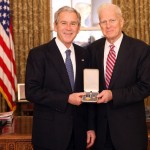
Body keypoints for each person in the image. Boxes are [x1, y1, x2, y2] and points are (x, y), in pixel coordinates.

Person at [25, 6, 95, 150]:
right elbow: (32, 92)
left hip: (79, 134)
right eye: (64, 23)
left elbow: (90, 93)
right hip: (49, 135)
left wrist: (90, 127)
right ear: (55, 26)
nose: (68, 28)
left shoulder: (85, 54)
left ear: (78, 27)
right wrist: (67, 98)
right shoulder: (38, 54)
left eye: (73, 23)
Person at [86, 3, 150, 150]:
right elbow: (89, 90)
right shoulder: (91, 50)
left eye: (112, 20)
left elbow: (145, 87)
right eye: (103, 21)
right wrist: (90, 127)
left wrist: (113, 95)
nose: (108, 25)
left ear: (121, 21)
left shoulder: (141, 49)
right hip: (100, 134)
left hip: (130, 133)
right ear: (100, 25)